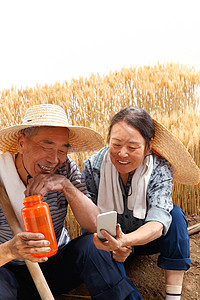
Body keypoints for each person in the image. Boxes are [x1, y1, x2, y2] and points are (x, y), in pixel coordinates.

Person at [0, 103, 140, 300]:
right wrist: (11, 250)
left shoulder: (65, 169)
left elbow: (96, 225)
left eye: (62, 150)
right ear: (21, 143)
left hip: (57, 263)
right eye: (46, 147)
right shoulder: (1, 176)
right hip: (9, 272)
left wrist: (66, 186)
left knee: (93, 247)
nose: (54, 159)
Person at [82, 106, 200, 300]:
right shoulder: (93, 167)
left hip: (146, 240)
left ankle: (173, 297)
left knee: (175, 216)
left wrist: (127, 240)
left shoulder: (159, 168)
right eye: (116, 144)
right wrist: (113, 243)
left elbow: (159, 220)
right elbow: (89, 218)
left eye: (132, 147)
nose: (122, 154)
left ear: (148, 146)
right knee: (92, 249)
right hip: (109, 243)